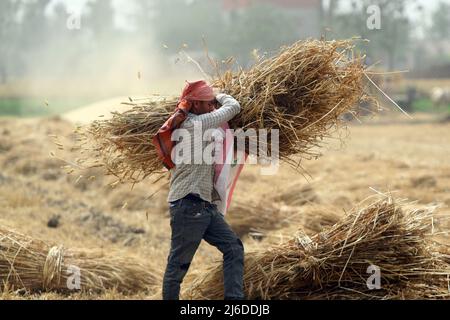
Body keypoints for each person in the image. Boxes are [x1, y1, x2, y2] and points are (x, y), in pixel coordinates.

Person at [153, 80, 245, 300]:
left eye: (212, 103)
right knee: (178, 267)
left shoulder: (193, 122)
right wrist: (220, 95)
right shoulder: (196, 124)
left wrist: (210, 98)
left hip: (203, 206)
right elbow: (234, 107)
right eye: (207, 103)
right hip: (188, 206)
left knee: (234, 248)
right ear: (194, 105)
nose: (211, 107)